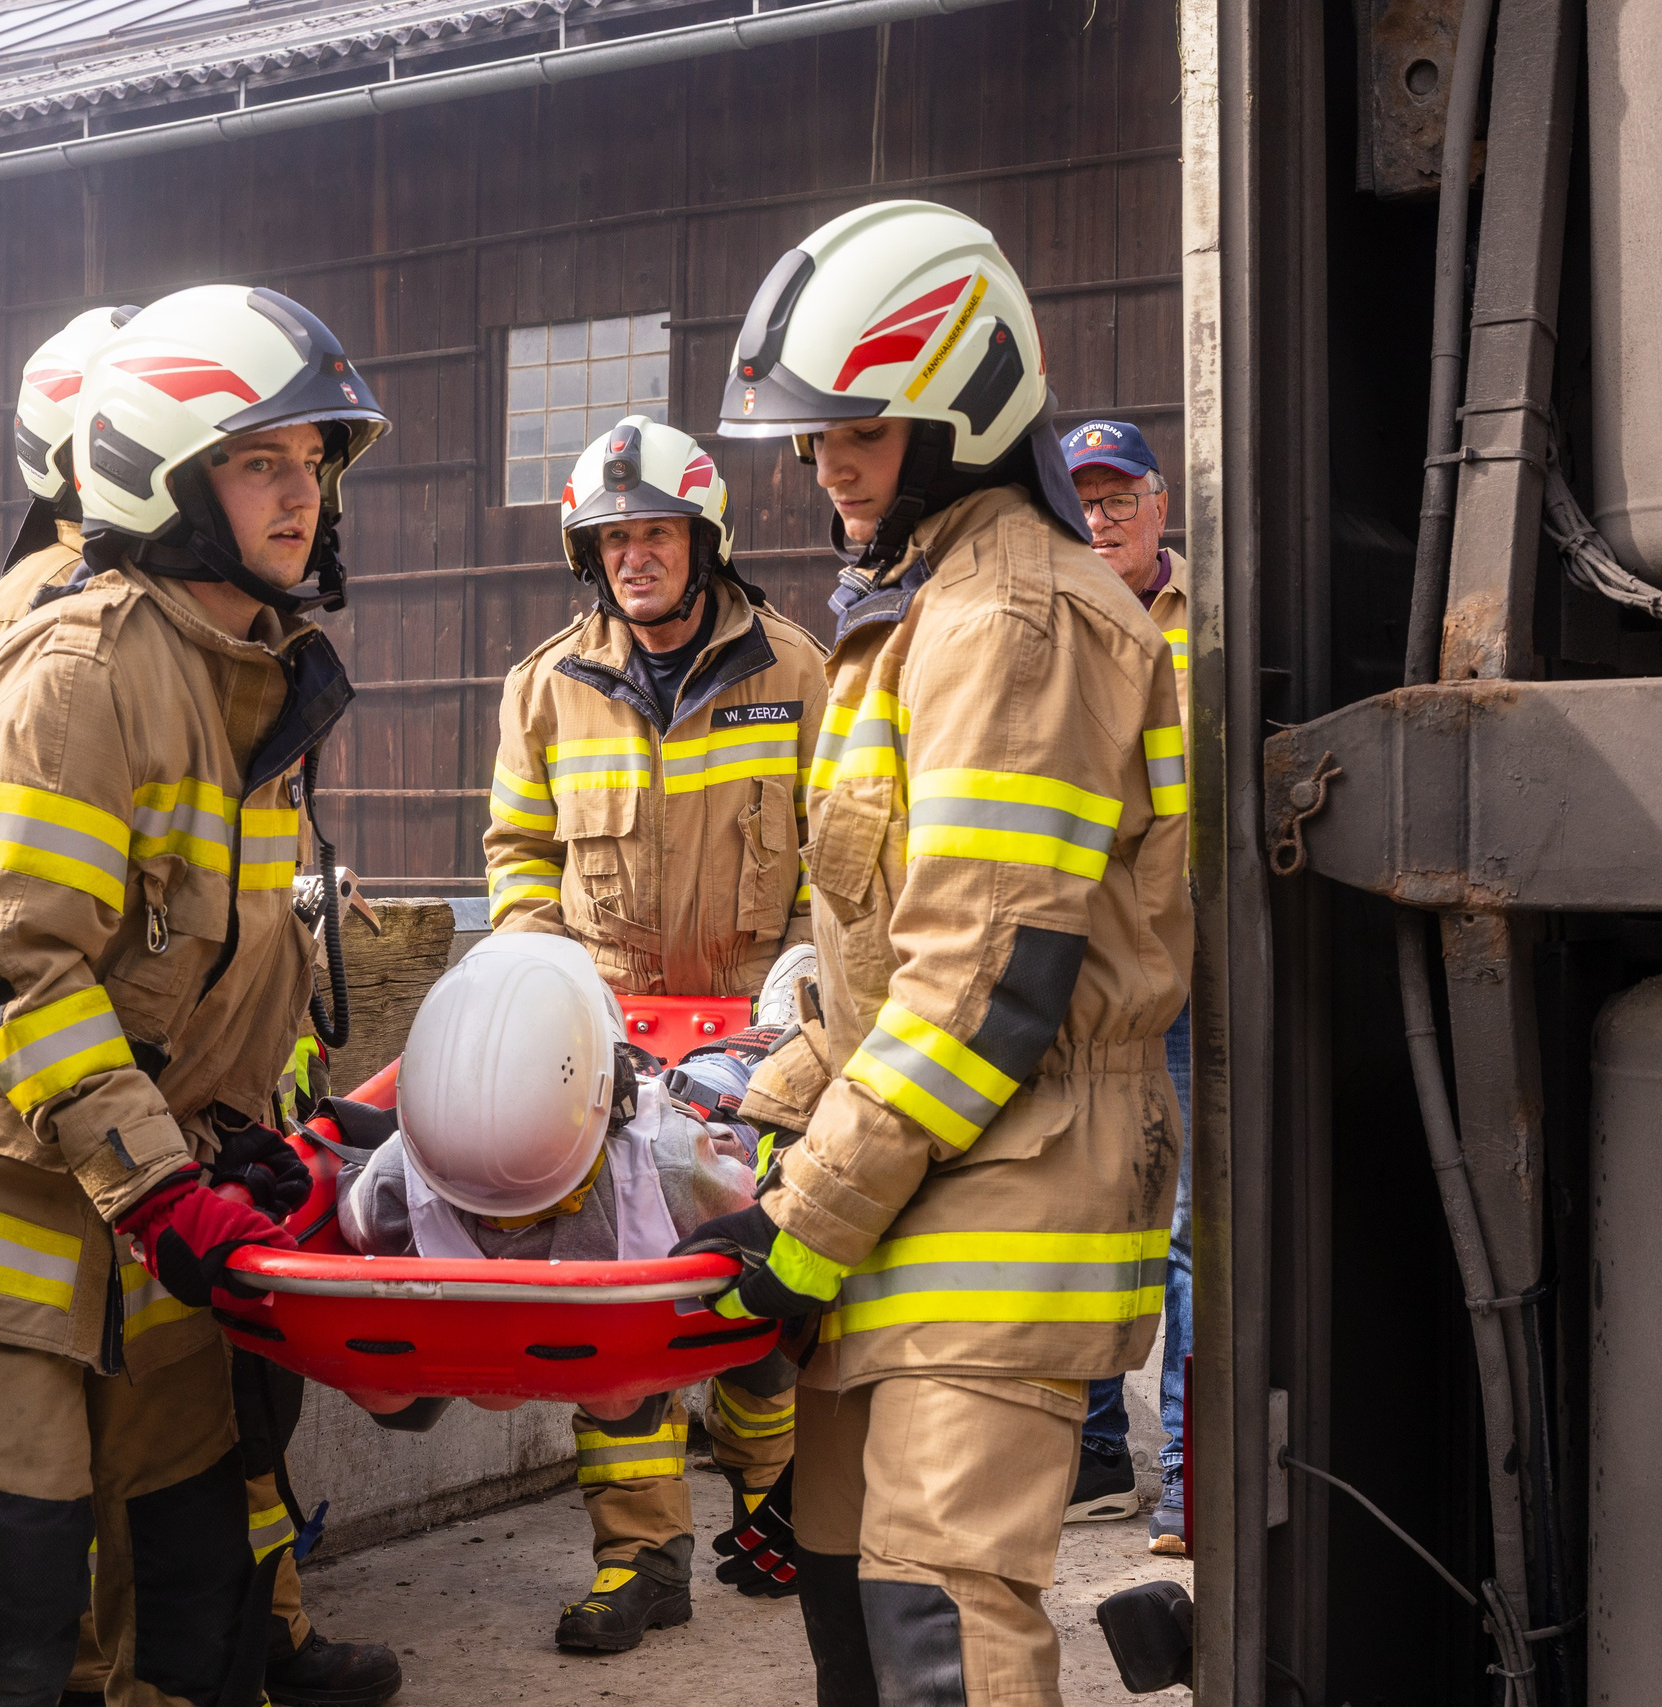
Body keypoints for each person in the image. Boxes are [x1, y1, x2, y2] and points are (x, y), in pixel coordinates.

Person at [0, 284, 397, 1707]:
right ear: (163, 473)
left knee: (198, 1603)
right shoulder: (80, 668)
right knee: (5, 1613)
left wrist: (271, 1143)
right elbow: (8, 961)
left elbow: (217, 965)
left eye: (313, 463)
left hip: (152, 1205)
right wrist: (164, 1190)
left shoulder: (252, 677)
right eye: (260, 462)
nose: (302, 496)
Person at [684, 200, 1191, 1705]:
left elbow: (984, 985)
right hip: (909, 1192)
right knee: (849, 1590)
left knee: (940, 1624)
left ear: (965, 414)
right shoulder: (915, 614)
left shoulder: (1011, 619)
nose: (826, 466)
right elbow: (877, 969)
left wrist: (802, 1219)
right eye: (810, 438)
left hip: (1001, 1201)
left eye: (860, 431)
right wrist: (742, 1122)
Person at [481, 416, 829, 1644]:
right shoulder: (545, 688)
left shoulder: (798, 673)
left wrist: (804, 994)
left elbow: (841, 864)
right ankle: (639, 1562)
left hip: (764, 1051)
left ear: (703, 542)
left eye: (656, 534)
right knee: (611, 1307)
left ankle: (771, 1499)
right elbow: (519, 856)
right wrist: (549, 987)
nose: (634, 556)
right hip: (609, 1054)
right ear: (588, 555)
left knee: (756, 1303)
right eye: (612, 539)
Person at [336, 934, 780, 1648]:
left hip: (659, 1287)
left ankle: (767, 1489)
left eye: (531, 1210)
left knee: (756, 1322)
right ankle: (647, 1562)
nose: (503, 1228)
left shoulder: (670, 1165)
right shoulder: (399, 1180)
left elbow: (758, 1212)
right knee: (610, 1375)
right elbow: (354, 1229)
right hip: (565, 1342)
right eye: (480, 1214)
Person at [1058, 419, 1195, 1556]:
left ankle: (1191, 1479)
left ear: (1159, 506)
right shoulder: (1048, 620)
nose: (1099, 521)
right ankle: (1097, 1454)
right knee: (1083, 1208)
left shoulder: (1216, 617)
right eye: (1081, 502)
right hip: (1078, 970)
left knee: (1189, 1230)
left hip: (1189, 967)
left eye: (1117, 500)